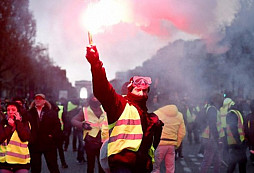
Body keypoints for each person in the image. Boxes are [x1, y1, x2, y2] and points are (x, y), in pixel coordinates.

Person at [85, 45, 164, 173]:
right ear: (130, 90)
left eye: (145, 91)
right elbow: (102, 89)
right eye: (138, 90)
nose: (142, 93)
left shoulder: (150, 117)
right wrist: (95, 64)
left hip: (143, 165)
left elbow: (152, 145)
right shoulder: (120, 105)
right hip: (122, 164)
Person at [71, 94, 109, 173]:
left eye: (97, 97)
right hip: (90, 142)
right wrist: (82, 125)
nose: (95, 99)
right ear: (90, 99)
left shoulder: (105, 109)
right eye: (93, 98)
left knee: (102, 166)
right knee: (90, 166)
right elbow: (74, 120)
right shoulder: (85, 110)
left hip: (103, 142)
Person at [28, 94, 61, 173]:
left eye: (40, 99)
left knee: (53, 166)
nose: (38, 100)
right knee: (35, 168)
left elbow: (57, 125)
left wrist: (52, 135)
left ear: (44, 101)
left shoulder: (51, 112)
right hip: (34, 143)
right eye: (36, 99)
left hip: (48, 142)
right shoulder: (29, 112)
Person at [152, 105, 186, 173]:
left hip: (159, 144)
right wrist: (177, 144)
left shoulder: (156, 114)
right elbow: (182, 132)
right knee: (170, 168)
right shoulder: (179, 115)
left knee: (155, 168)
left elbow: (151, 130)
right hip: (171, 144)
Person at [0, 102, 31, 173]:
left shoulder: (25, 123)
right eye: (8, 110)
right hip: (5, 162)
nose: (10, 112)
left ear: (18, 112)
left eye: (13, 110)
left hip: (21, 162)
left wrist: (18, 122)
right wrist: (9, 126)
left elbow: (25, 137)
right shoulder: (3, 123)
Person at [199, 93, 225, 173]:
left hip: (211, 138)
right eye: (220, 100)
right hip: (211, 138)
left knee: (217, 160)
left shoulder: (212, 109)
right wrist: (217, 138)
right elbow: (212, 124)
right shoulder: (212, 109)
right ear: (216, 100)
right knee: (208, 160)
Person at [226, 102, 247, 173]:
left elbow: (233, 128)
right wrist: (240, 142)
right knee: (240, 162)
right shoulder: (236, 113)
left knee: (235, 162)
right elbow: (235, 128)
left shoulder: (232, 113)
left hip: (235, 142)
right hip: (238, 142)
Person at [244, 99, 254, 165]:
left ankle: (252, 158)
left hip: (251, 139)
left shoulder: (248, 116)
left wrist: (246, 137)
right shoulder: (248, 117)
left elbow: (245, 128)